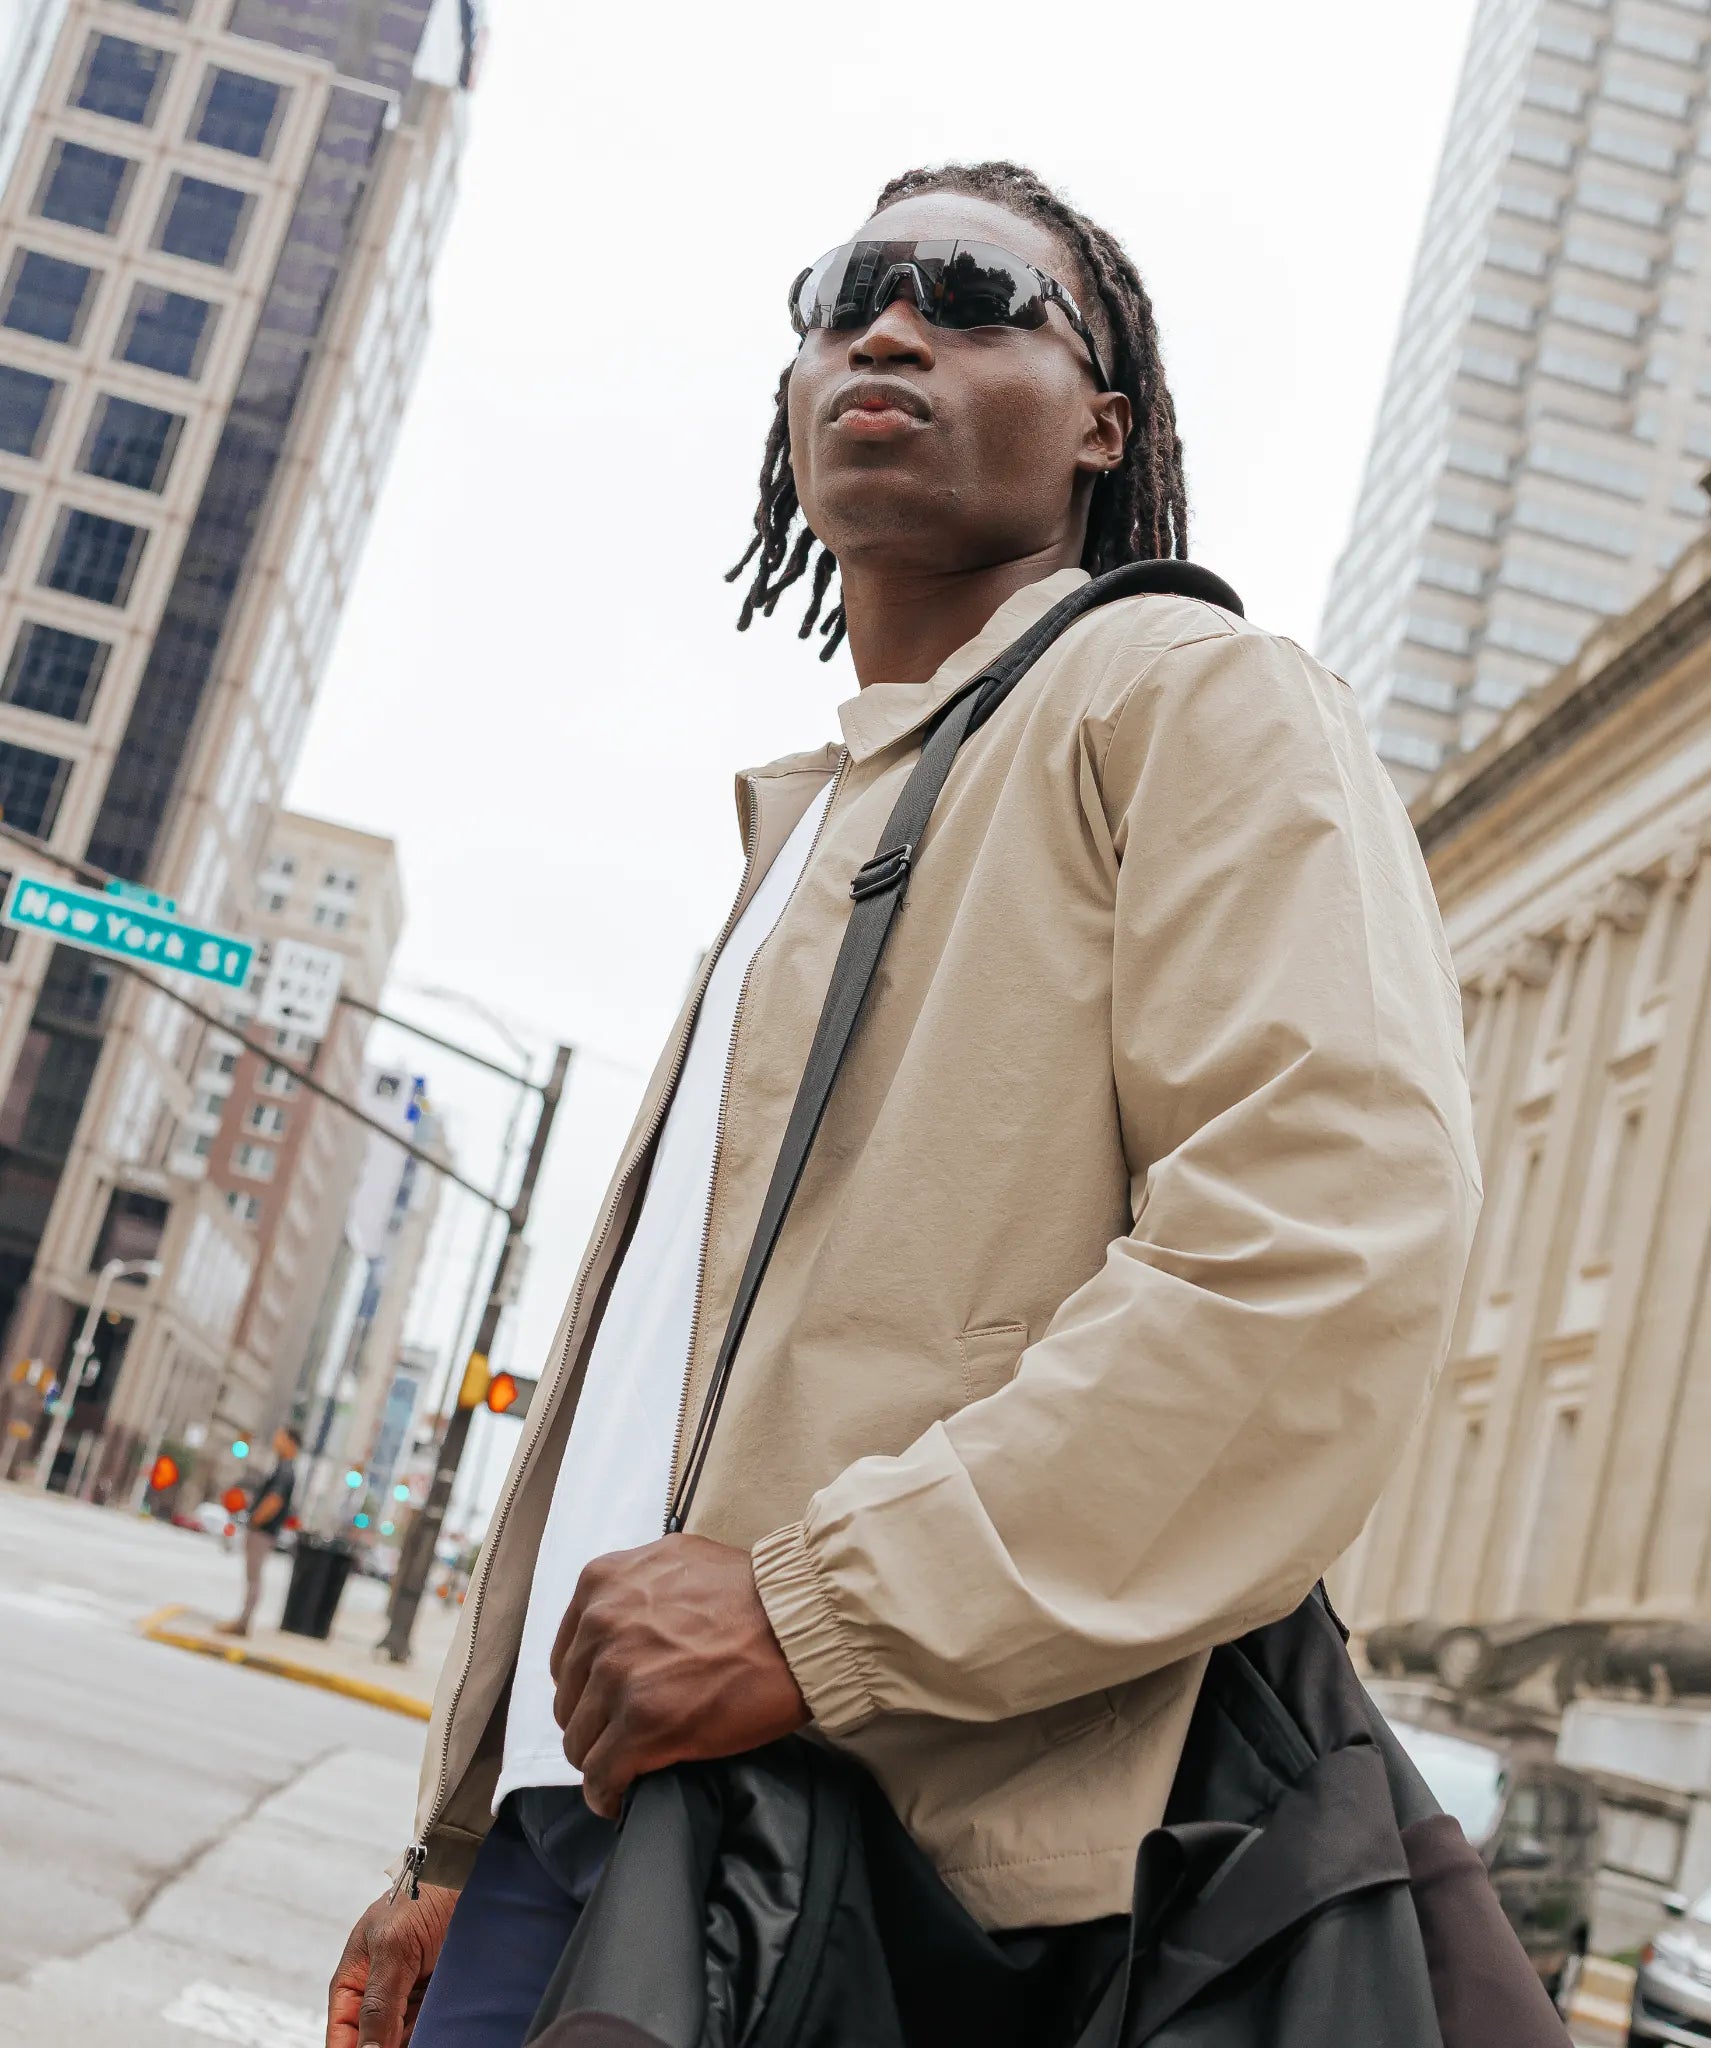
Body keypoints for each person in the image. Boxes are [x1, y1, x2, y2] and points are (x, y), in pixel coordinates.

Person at [326, 160, 1480, 2048]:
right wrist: (466, 1829)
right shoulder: (811, 821)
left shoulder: (1186, 693)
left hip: (865, 1873)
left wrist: (817, 1610)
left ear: (1100, 424)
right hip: (588, 1837)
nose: (884, 324)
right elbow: (655, 1411)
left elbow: (1322, 1243)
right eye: (839, 292)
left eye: (969, 292)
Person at [220, 1423, 298, 1637]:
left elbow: (274, 1500)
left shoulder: (285, 1470)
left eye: (280, 1437)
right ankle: (243, 1620)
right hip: (264, 1531)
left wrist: (255, 1520)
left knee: (253, 1577)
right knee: (253, 1577)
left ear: (291, 1443)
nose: (276, 1442)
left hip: (263, 1531)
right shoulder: (284, 1468)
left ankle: (243, 1622)